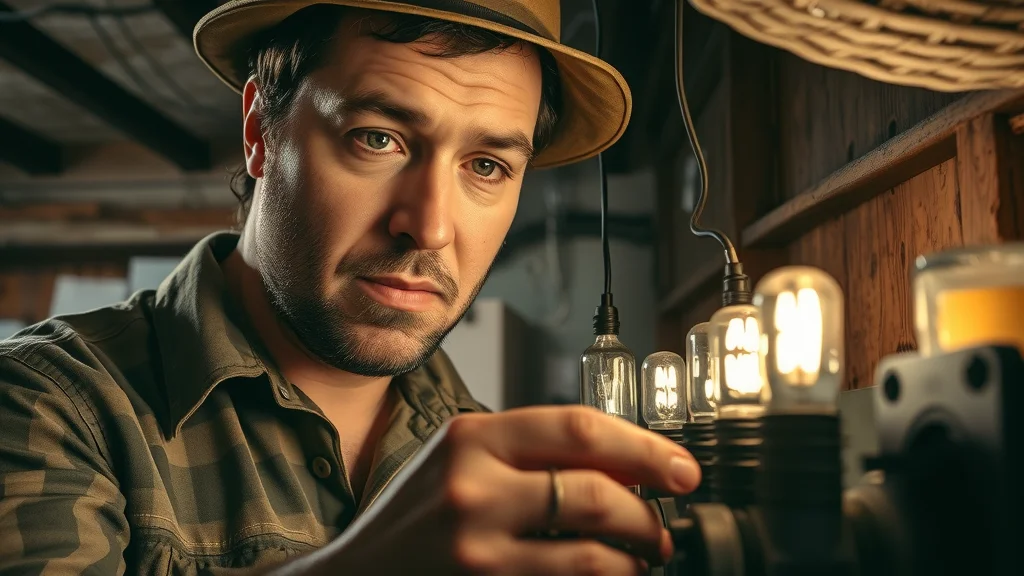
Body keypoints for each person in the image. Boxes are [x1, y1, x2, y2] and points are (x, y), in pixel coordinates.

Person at [0, 1, 701, 573]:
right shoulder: (50, 404)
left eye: (486, 165)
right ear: (260, 131)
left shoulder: (487, 461)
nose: (428, 227)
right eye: (378, 138)